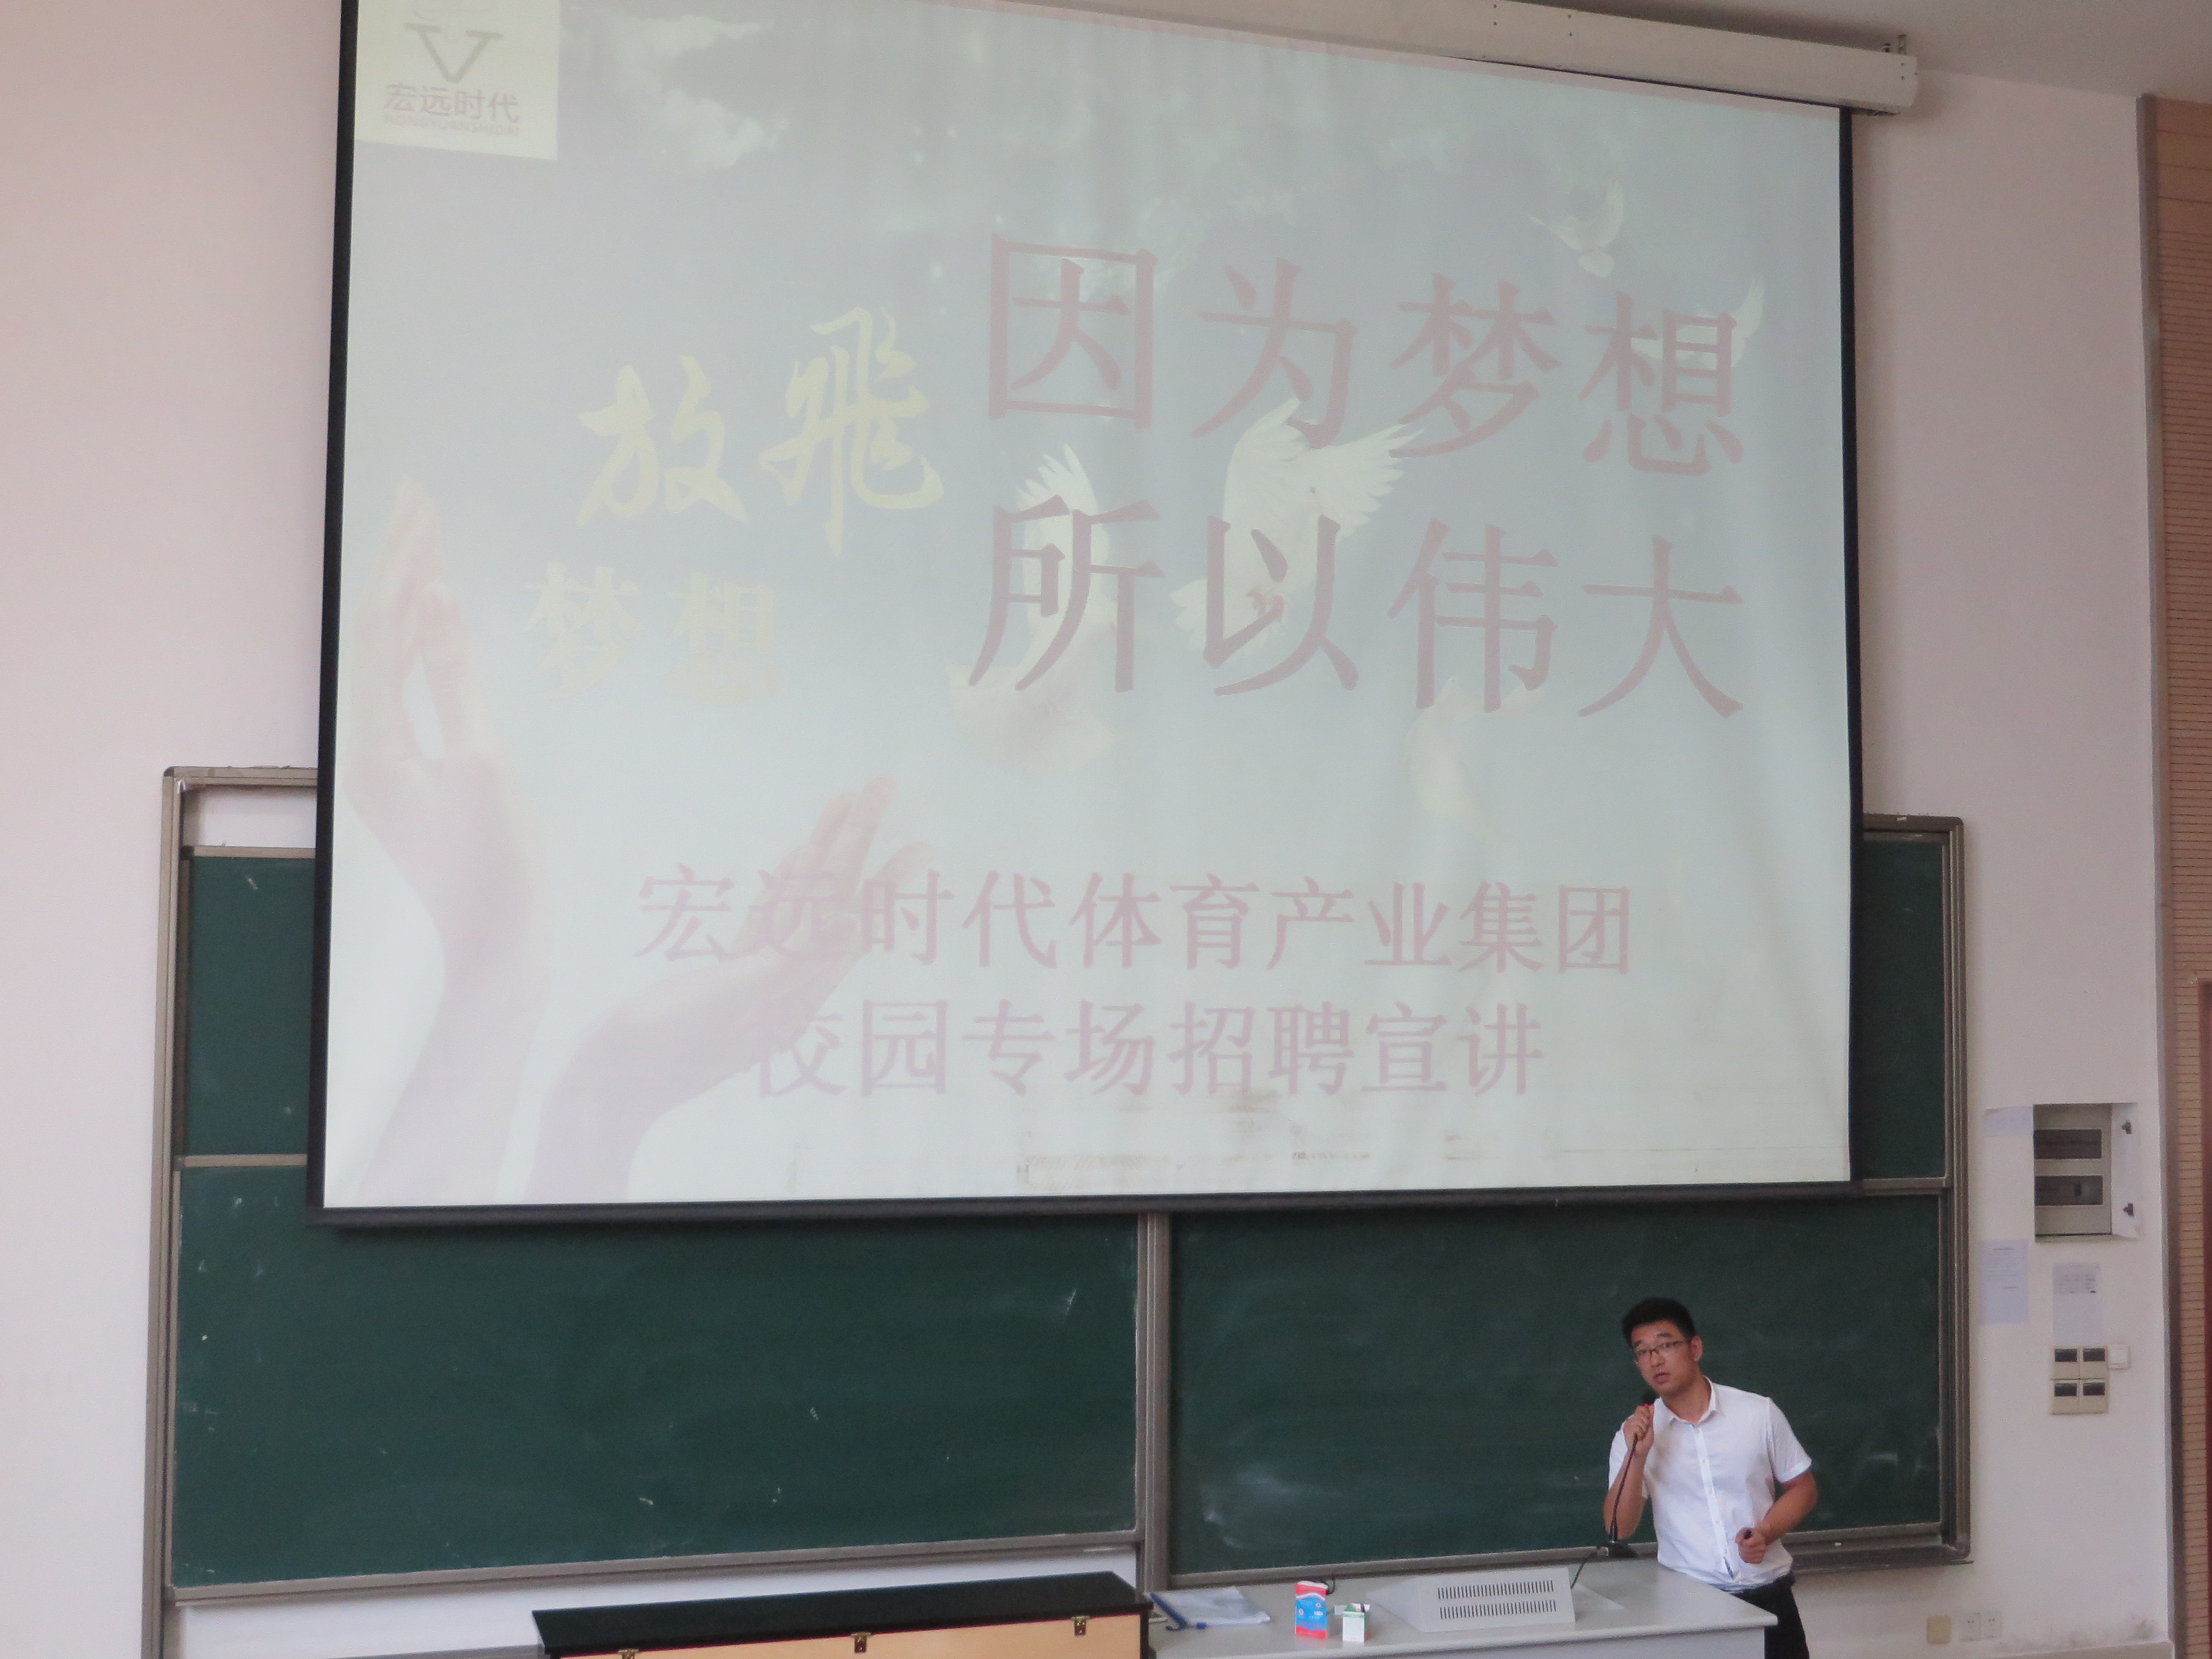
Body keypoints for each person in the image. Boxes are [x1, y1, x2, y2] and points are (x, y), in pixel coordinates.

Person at [1604, 1297, 1818, 1659]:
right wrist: (1636, 1456)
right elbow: (1618, 1529)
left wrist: (1766, 1533)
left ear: (1695, 1348)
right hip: (1689, 1606)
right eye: (1642, 1352)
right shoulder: (1634, 1435)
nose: (1655, 1360)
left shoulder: (1757, 1413)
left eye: (1665, 1345)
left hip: (1770, 1600)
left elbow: (1803, 1488)